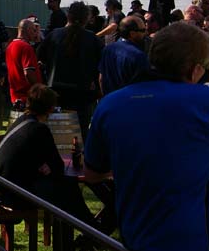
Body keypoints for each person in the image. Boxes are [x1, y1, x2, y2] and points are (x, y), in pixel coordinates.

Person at [85, 22, 209, 251]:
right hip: (192, 236)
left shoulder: (110, 105)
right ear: (195, 68)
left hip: (136, 234)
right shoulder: (203, 101)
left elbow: (92, 173)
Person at [0, 84, 100, 231]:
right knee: (67, 188)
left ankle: (90, 229)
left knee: (64, 188)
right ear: (49, 108)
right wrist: (48, 166)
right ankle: (92, 230)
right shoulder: (39, 129)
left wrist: (47, 166)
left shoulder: (22, 121)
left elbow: (37, 159)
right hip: (11, 195)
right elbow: (58, 166)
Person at [38, 2, 102, 141]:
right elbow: (100, 67)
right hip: (83, 94)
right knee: (80, 137)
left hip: (56, 92)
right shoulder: (93, 39)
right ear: (87, 18)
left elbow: (41, 58)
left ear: (68, 16)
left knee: (57, 136)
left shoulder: (54, 35)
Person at [98, 15, 150, 95]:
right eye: (143, 30)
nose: (146, 32)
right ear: (132, 34)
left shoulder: (107, 50)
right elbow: (143, 86)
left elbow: (101, 78)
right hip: (129, 99)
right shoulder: (138, 56)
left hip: (110, 97)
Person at [5, 19, 42, 109]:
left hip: (15, 96)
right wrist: (40, 89)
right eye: (34, 30)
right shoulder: (26, 47)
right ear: (28, 30)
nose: (35, 33)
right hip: (27, 96)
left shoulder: (10, 46)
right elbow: (28, 72)